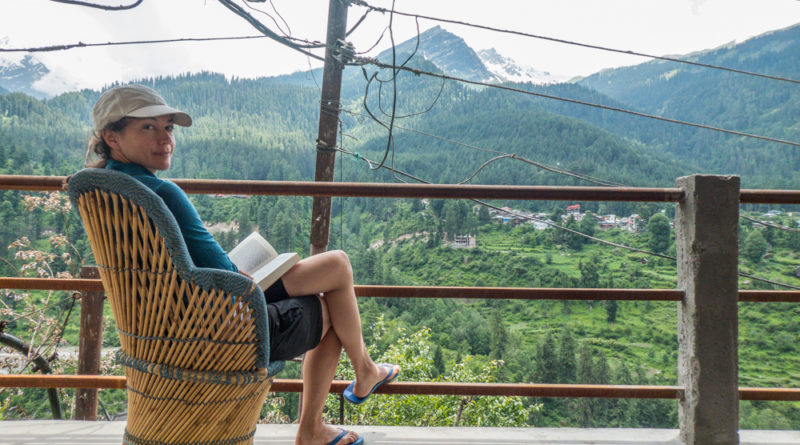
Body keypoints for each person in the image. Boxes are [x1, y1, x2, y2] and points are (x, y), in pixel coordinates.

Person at [87, 84, 399, 445]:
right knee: (330, 308)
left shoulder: (102, 188)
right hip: (221, 325)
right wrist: (242, 275)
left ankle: (365, 370)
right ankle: (316, 424)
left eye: (168, 128)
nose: (165, 139)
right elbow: (223, 272)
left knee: (336, 265)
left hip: (166, 322)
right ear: (112, 136)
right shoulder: (162, 193)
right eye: (149, 128)